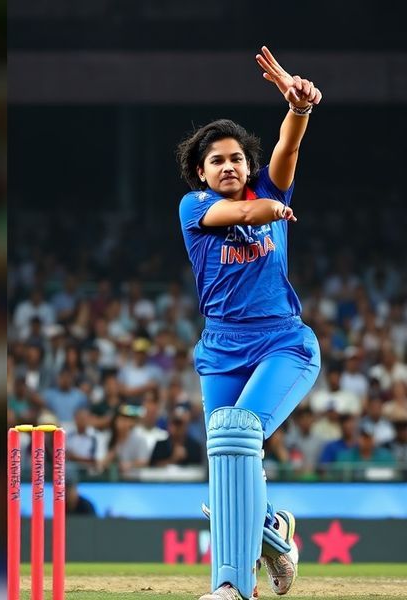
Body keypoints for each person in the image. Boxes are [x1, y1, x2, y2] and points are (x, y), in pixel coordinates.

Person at [176, 47, 322, 600]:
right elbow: (238, 214)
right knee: (226, 476)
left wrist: (298, 109)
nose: (230, 167)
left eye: (237, 158)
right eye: (218, 161)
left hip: (284, 342)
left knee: (236, 439)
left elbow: (287, 147)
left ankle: (231, 588)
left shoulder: (270, 186)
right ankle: (274, 537)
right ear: (201, 172)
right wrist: (269, 211)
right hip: (220, 349)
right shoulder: (194, 208)